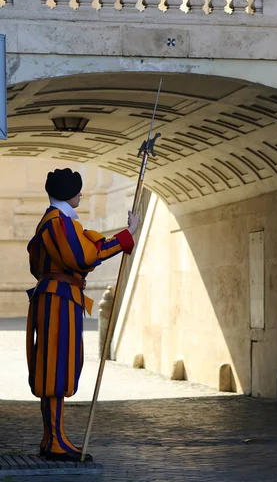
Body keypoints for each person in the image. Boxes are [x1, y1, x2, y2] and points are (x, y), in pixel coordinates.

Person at [26, 168, 140, 462]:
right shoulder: (58, 222)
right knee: (56, 368)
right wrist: (126, 238)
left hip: (57, 296)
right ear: (67, 192)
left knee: (57, 365)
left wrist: (127, 234)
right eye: (77, 189)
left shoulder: (59, 221)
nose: (81, 194)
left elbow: (87, 248)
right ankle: (54, 441)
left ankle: (53, 437)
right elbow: (84, 257)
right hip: (58, 299)